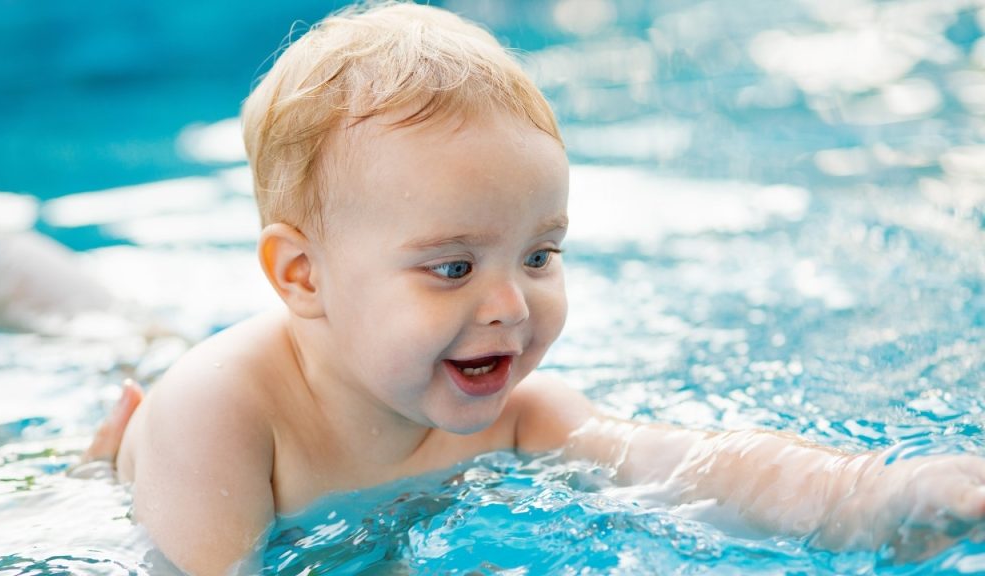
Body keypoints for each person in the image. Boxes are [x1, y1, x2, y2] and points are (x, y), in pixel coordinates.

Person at [83, 2, 985, 573]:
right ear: (303, 275)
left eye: (540, 254)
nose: (511, 306)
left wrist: (870, 497)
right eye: (453, 267)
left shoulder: (518, 412)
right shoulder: (224, 416)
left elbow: (686, 468)